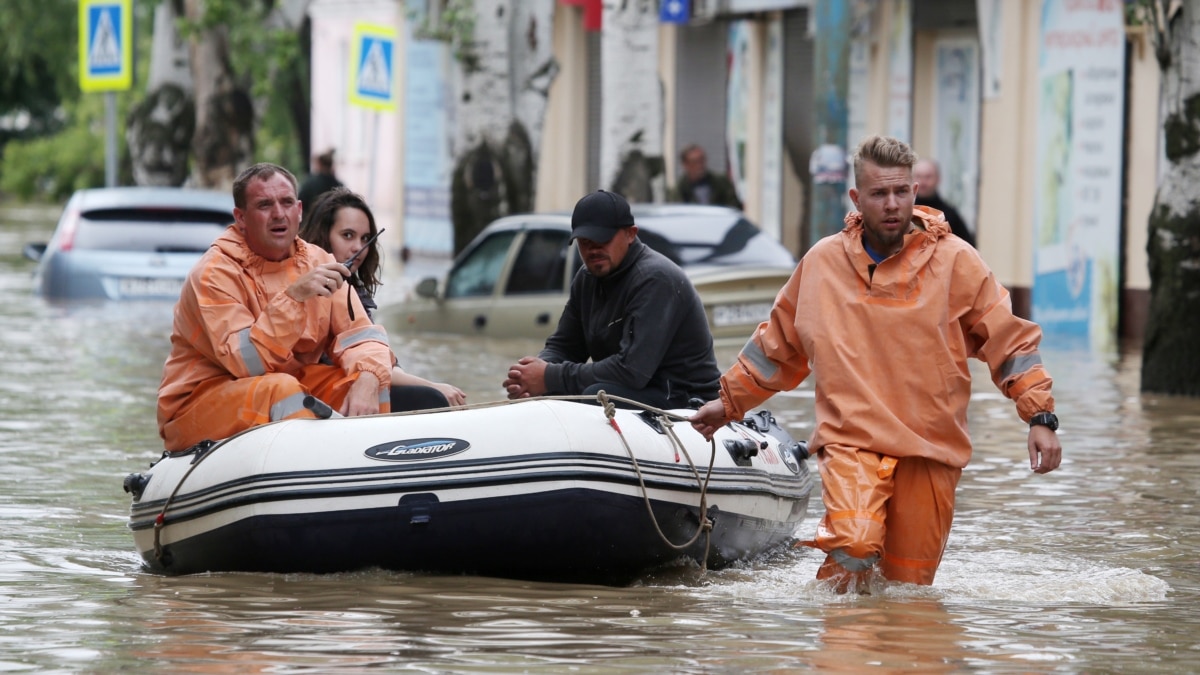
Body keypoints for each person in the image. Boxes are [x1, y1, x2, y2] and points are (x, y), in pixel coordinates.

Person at [689, 136, 1062, 592]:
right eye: (879, 194)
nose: (892, 204)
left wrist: (1039, 416)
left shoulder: (957, 262)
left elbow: (1009, 340)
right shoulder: (823, 263)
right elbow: (777, 347)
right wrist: (728, 404)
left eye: (901, 192)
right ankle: (839, 653)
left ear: (914, 192)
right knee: (855, 544)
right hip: (852, 441)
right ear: (856, 198)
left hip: (932, 448)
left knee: (908, 593)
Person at [157, 163, 393, 453]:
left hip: (284, 385)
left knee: (370, 382)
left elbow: (361, 336)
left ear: (300, 210)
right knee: (280, 390)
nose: (279, 213)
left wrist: (369, 377)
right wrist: (293, 298)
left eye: (286, 202)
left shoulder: (318, 260)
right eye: (265, 205)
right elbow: (248, 364)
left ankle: (364, 471)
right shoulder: (213, 273)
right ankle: (316, 470)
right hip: (199, 402)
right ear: (241, 218)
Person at [502, 189, 721, 410]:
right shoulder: (585, 279)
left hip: (687, 400)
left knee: (594, 395)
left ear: (630, 234)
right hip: (637, 390)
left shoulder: (655, 279)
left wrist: (549, 376)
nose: (593, 249)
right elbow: (564, 346)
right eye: (585, 241)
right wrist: (529, 375)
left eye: (602, 239)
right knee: (555, 391)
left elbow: (632, 371)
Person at [300, 187, 467, 408]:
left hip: (353, 387)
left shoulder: (354, 290)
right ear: (323, 235)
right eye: (347, 235)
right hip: (321, 399)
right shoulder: (311, 288)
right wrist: (433, 387)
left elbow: (382, 360)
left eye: (365, 238)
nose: (358, 248)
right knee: (430, 399)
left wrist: (431, 385)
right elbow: (363, 364)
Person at [913, 158, 975, 247]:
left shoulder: (950, 215)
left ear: (938, 179)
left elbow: (968, 248)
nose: (923, 182)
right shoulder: (907, 213)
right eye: (918, 176)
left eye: (928, 177)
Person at [671, 144, 743, 210]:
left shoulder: (721, 183)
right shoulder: (680, 189)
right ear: (686, 165)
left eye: (702, 160)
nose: (700, 165)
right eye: (695, 162)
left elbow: (734, 208)